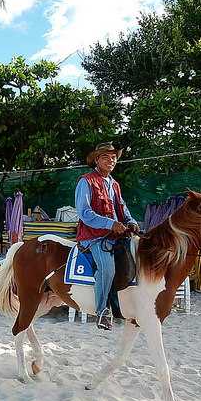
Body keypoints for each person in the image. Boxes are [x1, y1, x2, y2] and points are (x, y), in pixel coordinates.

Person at [75, 142, 139, 331]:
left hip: (115, 235)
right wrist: (111, 224)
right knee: (107, 269)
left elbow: (123, 208)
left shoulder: (114, 184)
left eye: (114, 158)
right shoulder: (85, 181)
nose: (111, 161)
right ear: (96, 160)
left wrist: (131, 221)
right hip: (94, 237)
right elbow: (84, 213)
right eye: (106, 157)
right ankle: (102, 311)